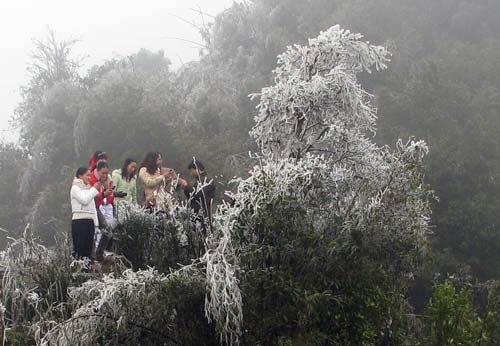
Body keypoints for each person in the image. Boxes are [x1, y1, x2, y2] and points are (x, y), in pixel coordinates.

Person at [70, 167, 100, 260]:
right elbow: (84, 200)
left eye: (90, 175)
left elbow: (93, 208)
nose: (89, 178)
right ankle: (78, 270)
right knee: (79, 250)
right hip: (79, 221)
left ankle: (86, 271)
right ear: (80, 176)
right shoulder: (75, 188)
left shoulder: (89, 189)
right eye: (87, 175)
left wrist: (96, 224)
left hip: (89, 222)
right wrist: (94, 189)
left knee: (88, 251)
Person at [89, 161, 115, 261]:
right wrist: (103, 194)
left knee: (107, 229)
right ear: (97, 171)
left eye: (106, 173)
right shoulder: (92, 179)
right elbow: (91, 197)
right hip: (90, 209)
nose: (105, 175)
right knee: (93, 232)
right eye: (103, 173)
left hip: (96, 208)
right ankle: (93, 256)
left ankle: (99, 253)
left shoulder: (105, 180)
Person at [184, 159, 216, 226]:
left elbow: (197, 195)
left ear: (197, 169)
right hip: (199, 215)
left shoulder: (207, 181)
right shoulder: (198, 181)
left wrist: (186, 186)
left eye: (192, 171)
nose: (191, 174)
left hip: (205, 215)